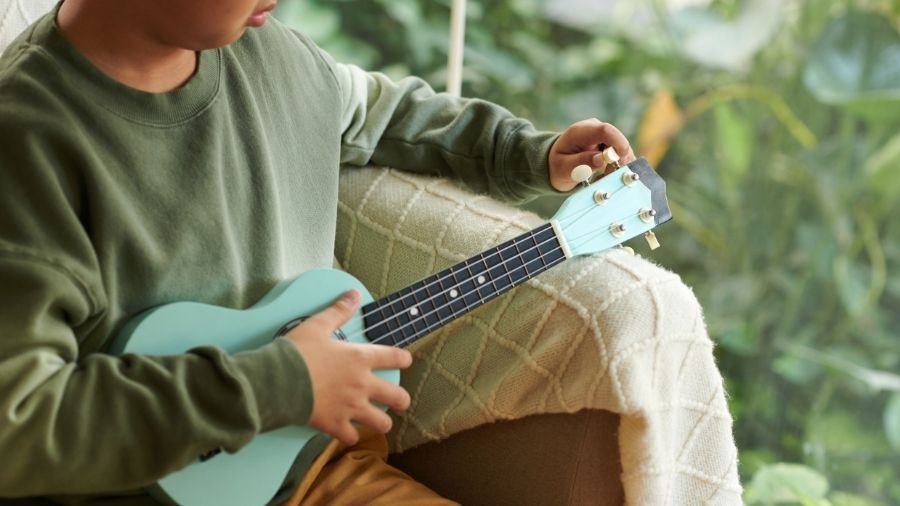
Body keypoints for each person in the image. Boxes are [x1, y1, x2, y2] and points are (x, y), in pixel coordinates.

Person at [0, 0, 641, 503]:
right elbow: (19, 426)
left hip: (319, 469)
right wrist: (276, 384)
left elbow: (386, 115)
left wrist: (523, 152)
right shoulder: (28, 143)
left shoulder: (277, 59)